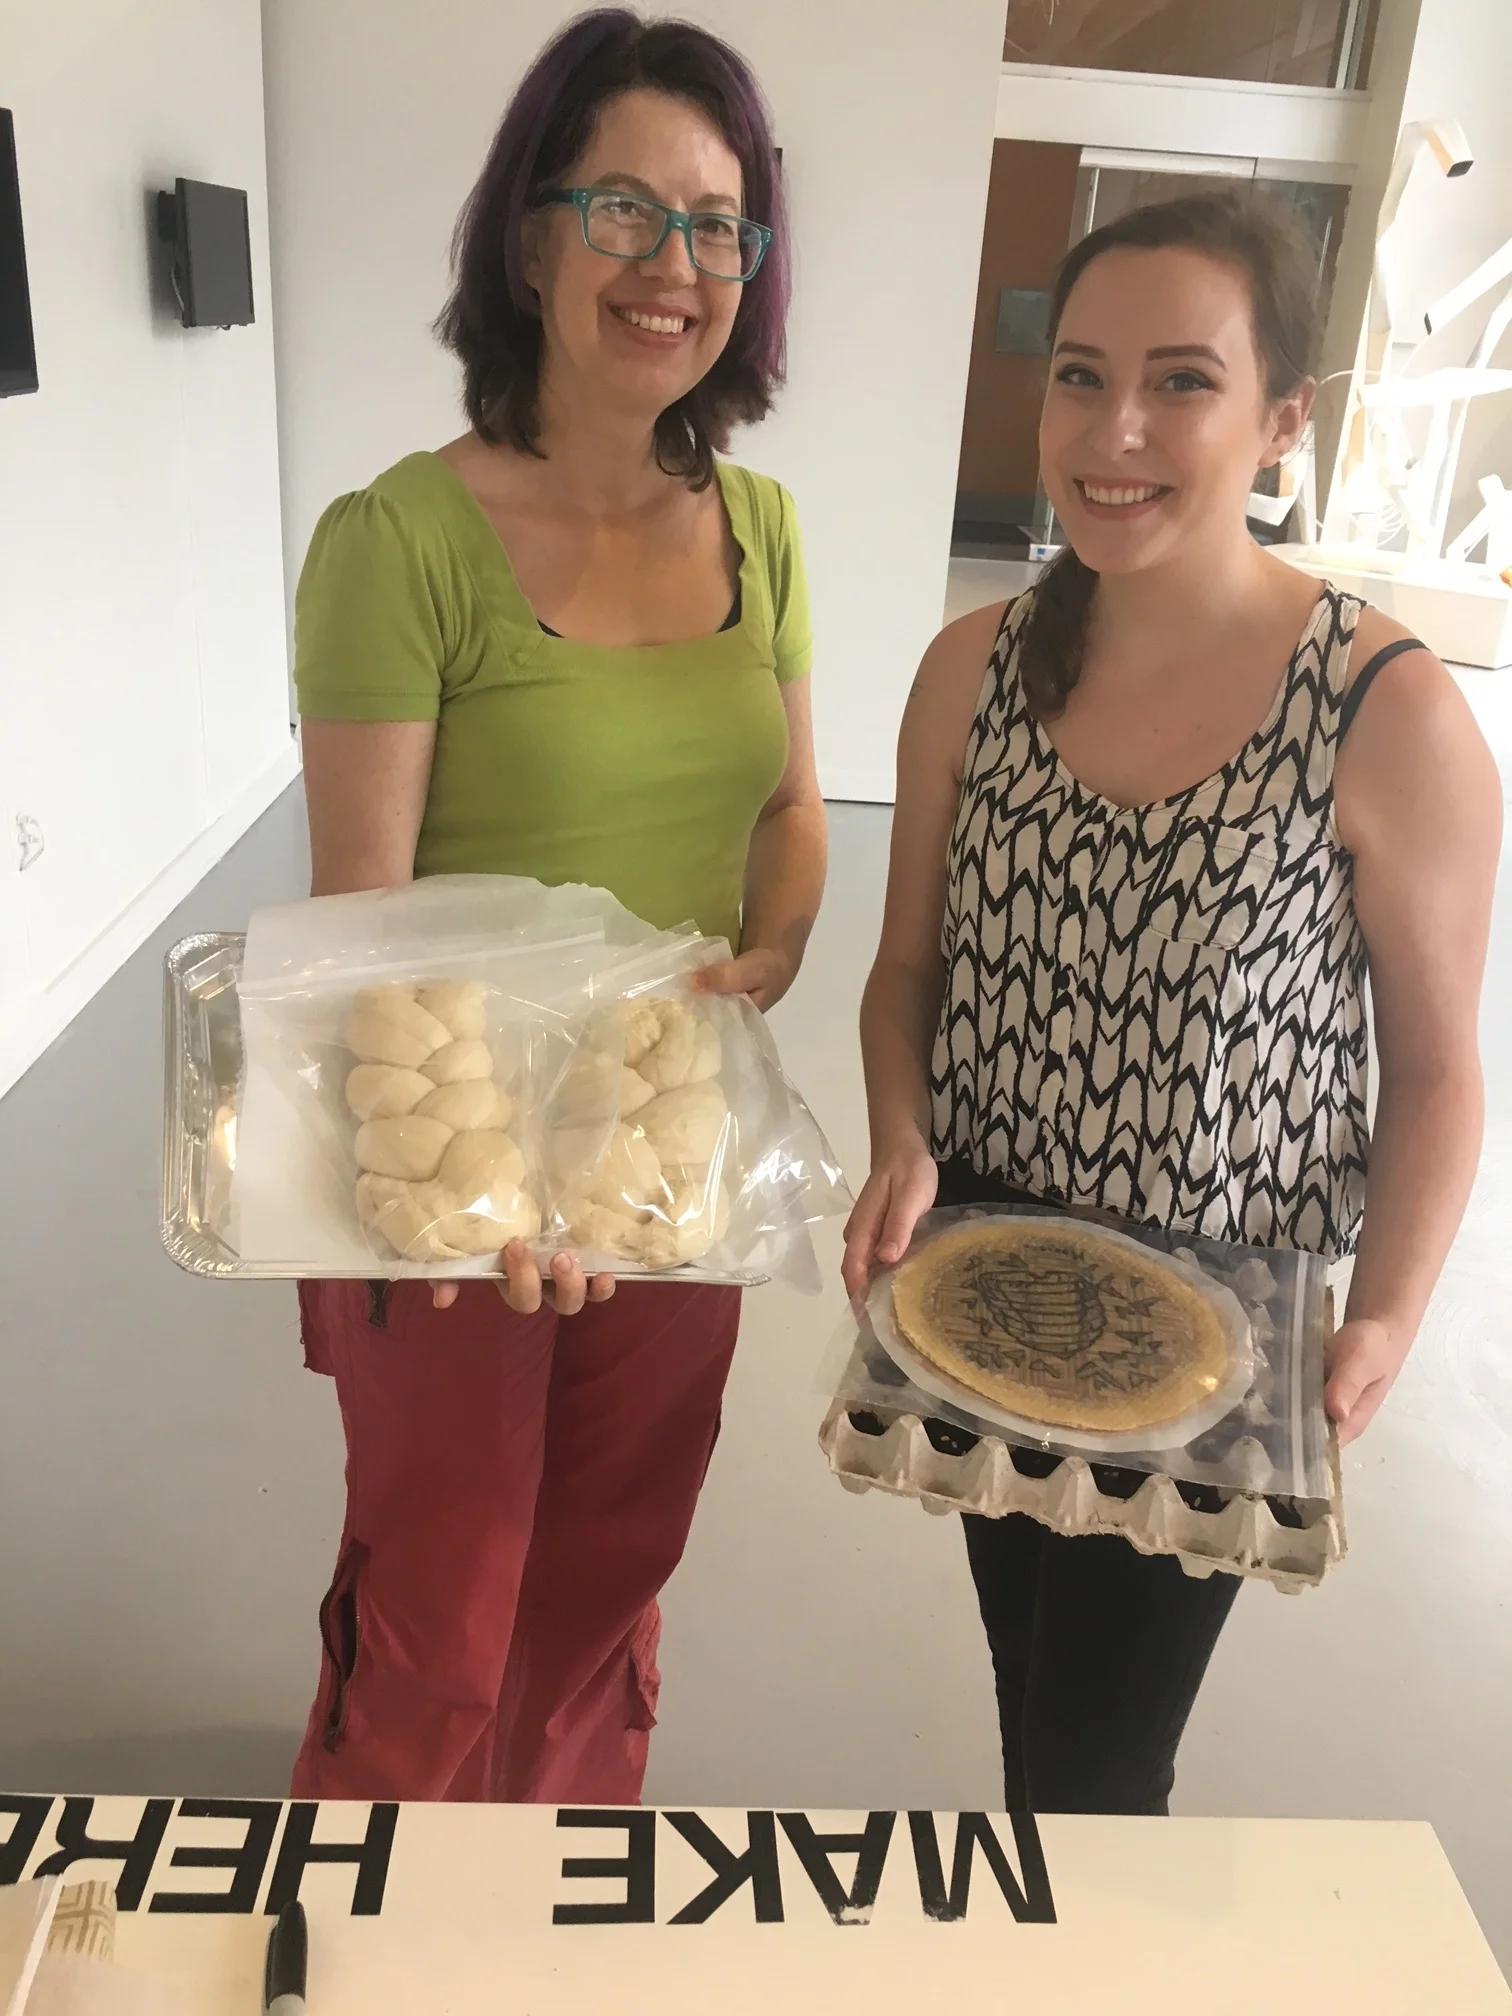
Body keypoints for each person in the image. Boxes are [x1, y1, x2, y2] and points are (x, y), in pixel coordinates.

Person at [844, 191, 1500, 1816]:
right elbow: (906, 971)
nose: (1113, 429)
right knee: (1030, 1689)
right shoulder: (970, 670)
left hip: (1219, 1327)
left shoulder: (1384, 713)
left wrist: (1389, 1318)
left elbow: (1436, 1075)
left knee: (1092, 1761)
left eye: (1183, 382)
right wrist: (903, 1141)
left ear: (1285, 418)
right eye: (1079, 375)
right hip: (984, 1282)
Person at [290, 9, 824, 1804]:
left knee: (604, 1587)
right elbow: (362, 927)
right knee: (446, 1618)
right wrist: (500, 1191)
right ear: (529, 237)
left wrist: (781, 938)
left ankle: (546, 1932)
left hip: (666, 1154)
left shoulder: (763, 527)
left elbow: (793, 813)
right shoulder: (400, 542)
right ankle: (373, 1929)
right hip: (449, 1188)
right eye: (626, 210)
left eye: (719, 223)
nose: (677, 266)